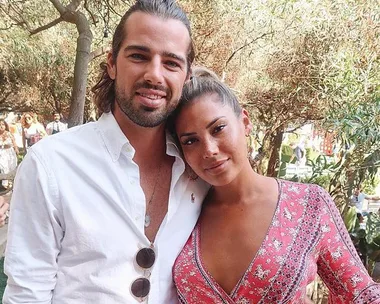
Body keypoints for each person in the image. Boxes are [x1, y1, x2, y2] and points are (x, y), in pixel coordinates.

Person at [3, 1, 209, 303]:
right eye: (139, 56)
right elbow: (26, 293)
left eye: (171, 63)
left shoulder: (199, 173)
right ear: (112, 63)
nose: (154, 75)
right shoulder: (51, 165)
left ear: (187, 76)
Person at [170, 67, 380, 303]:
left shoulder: (308, 204)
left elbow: (361, 294)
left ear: (245, 122)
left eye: (218, 129)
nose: (209, 150)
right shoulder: (182, 216)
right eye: (191, 141)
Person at [0, 119, 19, 190]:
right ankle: (5, 183)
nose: (1, 126)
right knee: (4, 167)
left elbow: (14, 142)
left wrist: (16, 149)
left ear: (5, 125)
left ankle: (12, 181)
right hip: (2, 152)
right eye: (0, 125)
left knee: (12, 166)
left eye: (2, 124)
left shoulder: (9, 133)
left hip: (10, 152)